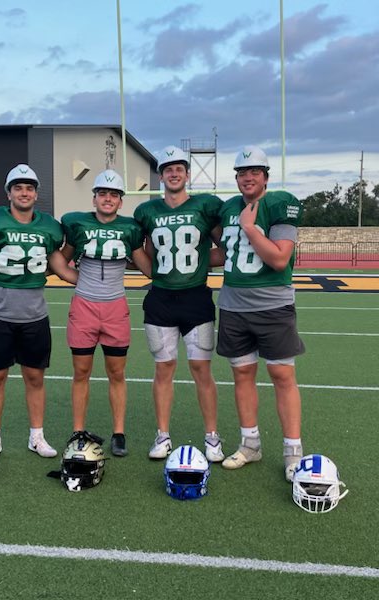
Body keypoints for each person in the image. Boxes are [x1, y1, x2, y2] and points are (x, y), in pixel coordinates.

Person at [0, 164, 77, 462]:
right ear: (9, 193)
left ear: (36, 193)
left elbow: (61, 268)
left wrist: (95, 277)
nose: (24, 192)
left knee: (35, 378)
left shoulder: (47, 228)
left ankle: (36, 437)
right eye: (18, 187)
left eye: (29, 188)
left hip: (35, 316)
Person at [214, 145, 306, 481]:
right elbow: (226, 252)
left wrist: (251, 228)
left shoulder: (280, 203)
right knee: (242, 375)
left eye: (254, 171)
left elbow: (280, 259)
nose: (247, 177)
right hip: (233, 306)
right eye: (242, 172)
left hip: (272, 305)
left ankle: (293, 450)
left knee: (283, 376)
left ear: (266, 176)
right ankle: (250, 443)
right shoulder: (228, 210)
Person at [133, 145, 224, 462]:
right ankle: (162, 435)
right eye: (168, 168)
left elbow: (225, 247)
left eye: (179, 168)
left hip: (196, 297)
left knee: (202, 369)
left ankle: (212, 437)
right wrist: (156, 271)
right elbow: (144, 251)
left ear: (187, 174)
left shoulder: (204, 207)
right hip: (160, 299)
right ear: (161, 175)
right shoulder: (148, 211)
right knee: (163, 369)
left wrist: (197, 263)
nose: (173, 173)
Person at [61, 170, 151, 457]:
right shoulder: (78, 223)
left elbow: (146, 266)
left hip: (115, 308)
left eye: (113, 195)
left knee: (117, 373)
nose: (108, 199)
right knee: (81, 372)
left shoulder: (130, 228)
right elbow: (60, 259)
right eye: (103, 194)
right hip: (84, 306)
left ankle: (119, 432)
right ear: (94, 198)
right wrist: (78, 280)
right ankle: (78, 430)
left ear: (121, 201)